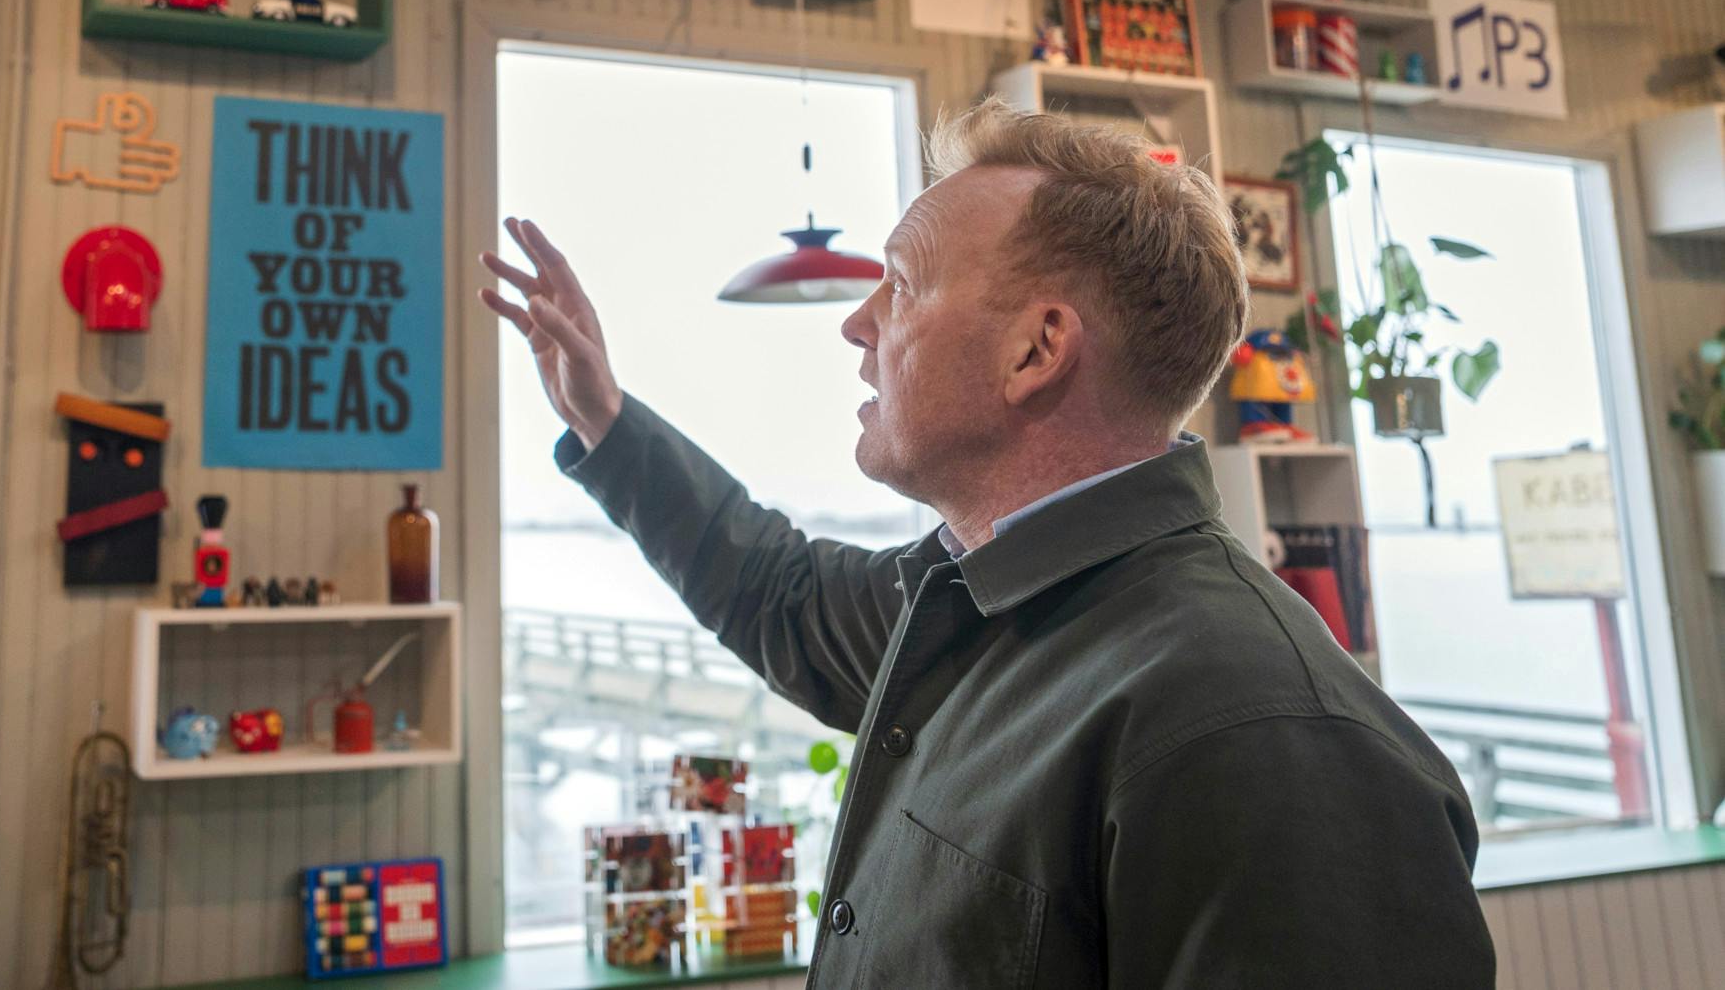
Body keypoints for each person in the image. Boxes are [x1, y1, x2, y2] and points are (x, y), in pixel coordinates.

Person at [483, 99, 1494, 989]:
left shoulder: (1259, 733)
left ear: (1036, 349)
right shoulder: (969, 603)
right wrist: (607, 424)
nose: (855, 322)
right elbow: (775, 588)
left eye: (902, 285)